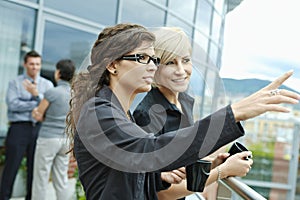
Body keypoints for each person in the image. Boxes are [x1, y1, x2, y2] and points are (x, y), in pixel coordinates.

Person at [65, 23, 299, 200]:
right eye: (142, 58)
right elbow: (150, 149)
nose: (152, 66)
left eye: (154, 59)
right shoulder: (99, 113)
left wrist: (157, 176)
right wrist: (234, 113)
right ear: (112, 64)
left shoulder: (118, 111)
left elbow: (129, 169)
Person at [133, 27, 253, 199]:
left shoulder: (184, 102)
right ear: (154, 68)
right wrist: (223, 171)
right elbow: (162, 192)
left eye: (186, 60)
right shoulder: (147, 115)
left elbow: (180, 165)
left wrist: (212, 164)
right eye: (170, 62)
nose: (181, 70)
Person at [0, 50, 54, 200]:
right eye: (31, 64)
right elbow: (12, 104)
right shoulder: (14, 83)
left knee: (34, 169)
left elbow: (49, 107)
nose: (34, 67)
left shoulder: (47, 84)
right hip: (18, 128)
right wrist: (38, 103)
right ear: (25, 64)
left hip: (38, 129)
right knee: (11, 167)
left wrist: (37, 95)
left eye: (37, 64)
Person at [31, 59, 75, 200]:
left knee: (41, 177)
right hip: (65, 140)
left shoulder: (52, 92)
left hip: (48, 139)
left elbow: (39, 114)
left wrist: (35, 113)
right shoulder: (74, 94)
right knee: (61, 178)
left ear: (58, 73)